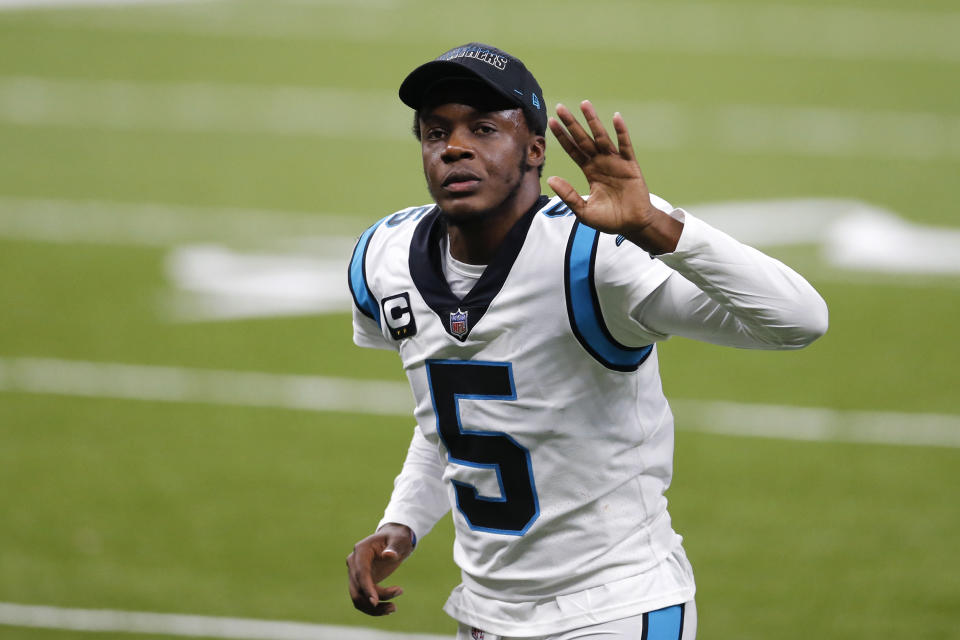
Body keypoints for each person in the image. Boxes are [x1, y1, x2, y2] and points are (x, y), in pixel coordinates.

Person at [346, 42, 828, 640]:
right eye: (435, 131)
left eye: (485, 128)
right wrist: (403, 523)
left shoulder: (596, 255)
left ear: (535, 150)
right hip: (483, 614)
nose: (455, 146)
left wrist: (656, 225)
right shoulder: (385, 259)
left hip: (615, 609)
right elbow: (452, 416)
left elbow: (799, 319)